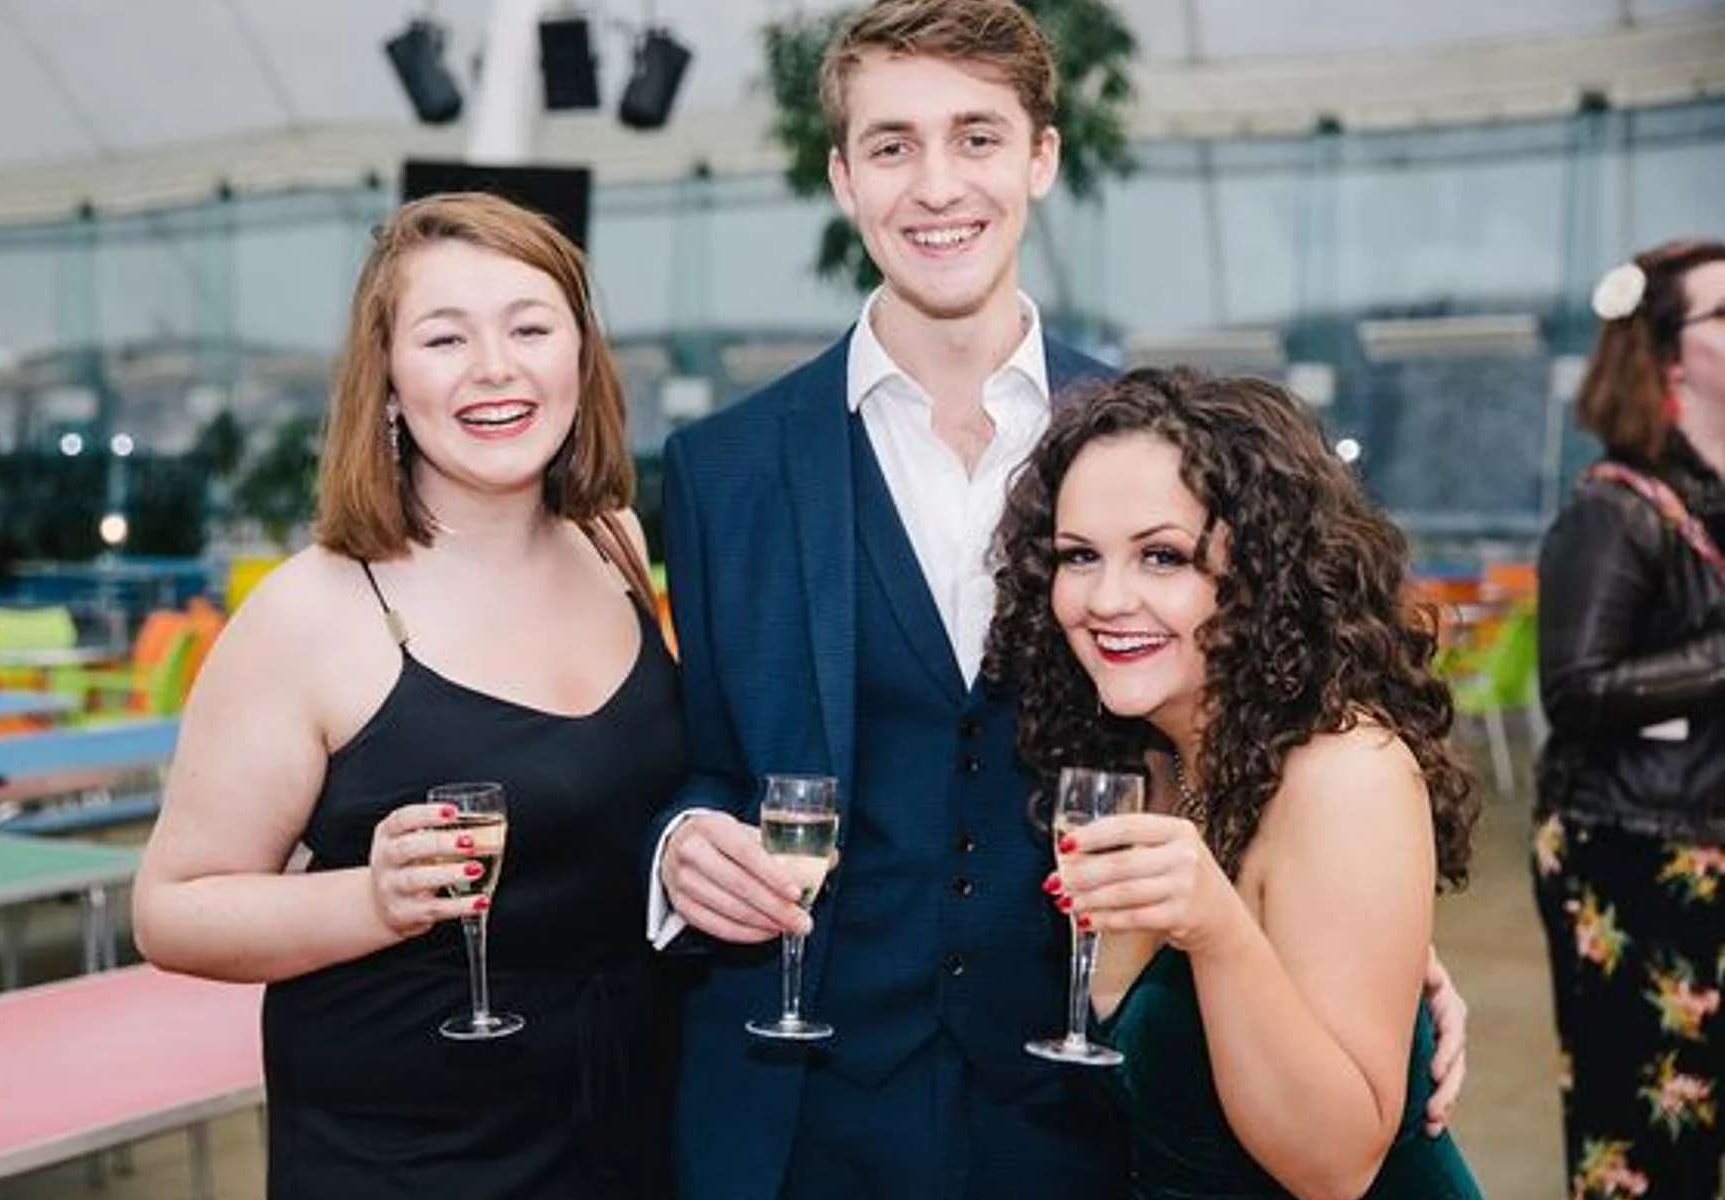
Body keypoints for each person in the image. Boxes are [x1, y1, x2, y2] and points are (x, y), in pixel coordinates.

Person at [646, 3, 1466, 1197]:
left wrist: (1367, 953)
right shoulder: (721, 469)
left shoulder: (1157, 438)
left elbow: (1256, 726)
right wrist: (680, 846)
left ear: (1041, 156)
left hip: (1085, 1113)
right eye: (892, 145)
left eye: (976, 137)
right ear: (842, 177)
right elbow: (705, 763)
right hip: (807, 1107)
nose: (937, 185)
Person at [133, 192, 684, 1199]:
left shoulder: (614, 542)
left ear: (580, 355)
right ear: (387, 379)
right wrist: (371, 900)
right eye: (445, 338)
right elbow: (171, 912)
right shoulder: (312, 611)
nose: (495, 367)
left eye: (530, 328)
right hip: (407, 1156)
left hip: (626, 1124)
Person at [985, 367, 1484, 1199]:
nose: (1107, 598)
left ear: (1263, 571)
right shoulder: (1142, 764)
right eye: (1079, 556)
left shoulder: (1346, 775)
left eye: (1162, 556)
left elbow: (1335, 1169)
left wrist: (1219, 932)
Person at [1531, 239, 1725, 1200]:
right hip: (1634, 851)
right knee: (1649, 1146)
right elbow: (1576, 688)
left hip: (1702, 841)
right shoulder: (1615, 508)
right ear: (1667, 355)